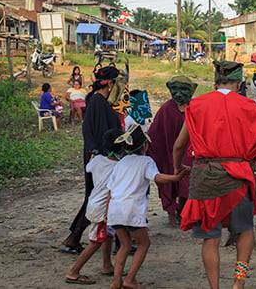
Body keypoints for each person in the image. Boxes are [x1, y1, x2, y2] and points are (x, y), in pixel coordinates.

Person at [172, 60, 256, 289]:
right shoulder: (250, 107)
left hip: (204, 177)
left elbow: (179, 146)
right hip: (238, 178)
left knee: (210, 239)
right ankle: (238, 283)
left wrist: (177, 169)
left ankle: (215, 287)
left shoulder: (196, 105)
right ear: (240, 82)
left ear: (215, 82)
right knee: (244, 230)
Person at [107, 126, 187, 289]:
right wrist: (176, 177)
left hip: (115, 210)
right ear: (145, 146)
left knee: (124, 245)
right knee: (144, 244)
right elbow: (157, 177)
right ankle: (130, 279)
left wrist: (106, 213)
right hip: (132, 210)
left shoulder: (121, 163)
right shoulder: (146, 161)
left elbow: (110, 189)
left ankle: (116, 281)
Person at [61, 67, 122, 254]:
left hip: (100, 156)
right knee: (98, 198)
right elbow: (94, 132)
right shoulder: (97, 102)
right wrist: (100, 152)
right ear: (110, 84)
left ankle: (77, 237)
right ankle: (74, 237)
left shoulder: (98, 101)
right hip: (100, 158)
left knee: (98, 197)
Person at [64, 129, 125, 285]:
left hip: (94, 203)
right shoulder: (119, 166)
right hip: (102, 209)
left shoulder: (97, 161)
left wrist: (94, 157)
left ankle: (107, 265)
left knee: (107, 236)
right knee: (96, 241)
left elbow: (89, 168)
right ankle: (73, 272)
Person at [147, 76, 197, 226]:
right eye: (175, 89)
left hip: (189, 152)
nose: (179, 94)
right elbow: (155, 134)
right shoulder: (166, 109)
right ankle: (171, 212)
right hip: (168, 152)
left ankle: (183, 211)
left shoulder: (195, 107)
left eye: (184, 89)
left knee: (187, 182)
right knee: (168, 180)